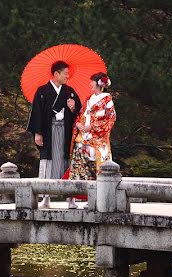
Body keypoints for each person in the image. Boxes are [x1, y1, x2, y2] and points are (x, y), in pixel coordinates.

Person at [26, 61, 81, 208]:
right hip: (48, 132)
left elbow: (79, 113)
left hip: (65, 133)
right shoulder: (42, 91)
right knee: (48, 163)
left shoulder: (69, 91)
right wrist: (38, 133)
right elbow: (36, 113)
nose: (67, 76)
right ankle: (46, 199)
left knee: (67, 162)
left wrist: (73, 107)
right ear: (56, 74)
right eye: (65, 73)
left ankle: (71, 199)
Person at [67, 72, 116, 208]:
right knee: (78, 169)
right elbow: (81, 115)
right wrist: (78, 124)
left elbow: (110, 119)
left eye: (92, 82)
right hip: (82, 138)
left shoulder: (107, 100)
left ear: (100, 84)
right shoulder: (89, 99)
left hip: (97, 141)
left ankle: (94, 200)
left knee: (95, 171)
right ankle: (72, 199)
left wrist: (91, 127)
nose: (90, 84)